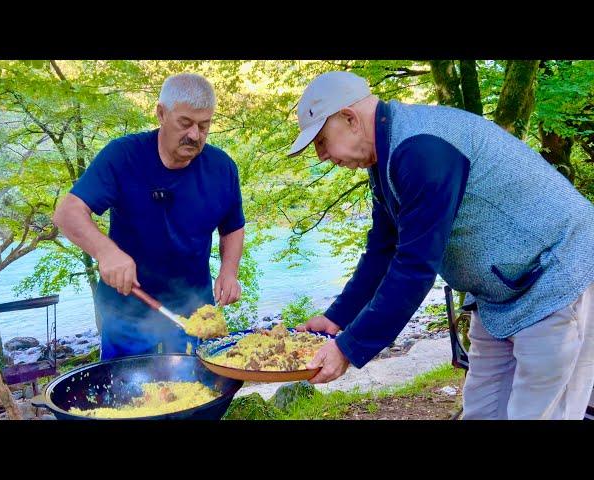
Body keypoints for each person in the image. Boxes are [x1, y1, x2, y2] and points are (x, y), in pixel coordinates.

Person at [289, 71, 594, 420]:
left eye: (322, 141)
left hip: (556, 276)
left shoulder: (423, 149)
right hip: (500, 295)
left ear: (349, 118)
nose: (322, 157)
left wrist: (347, 349)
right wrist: (337, 318)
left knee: (539, 411)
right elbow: (383, 250)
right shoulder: (385, 158)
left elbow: (415, 266)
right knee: (482, 409)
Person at [53, 73, 245, 360]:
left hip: (195, 315)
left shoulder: (222, 168)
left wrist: (229, 272)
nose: (195, 135)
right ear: (161, 114)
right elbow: (68, 212)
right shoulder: (124, 156)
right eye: (185, 123)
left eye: (204, 126)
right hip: (128, 312)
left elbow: (233, 226)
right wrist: (106, 252)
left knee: (199, 395)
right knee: (127, 396)